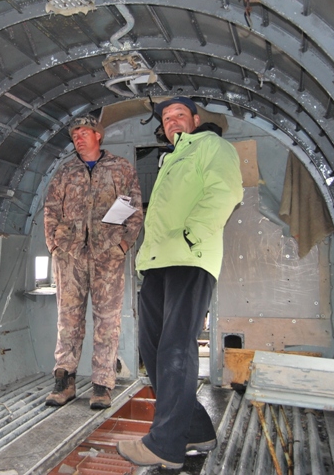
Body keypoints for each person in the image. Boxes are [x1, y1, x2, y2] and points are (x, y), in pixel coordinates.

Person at [117, 97, 243, 469]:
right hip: (157, 263)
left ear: (196, 120)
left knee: (175, 348)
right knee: (153, 348)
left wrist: (192, 235)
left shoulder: (211, 146)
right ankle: (197, 430)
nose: (172, 121)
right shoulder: (171, 158)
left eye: (179, 114)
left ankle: (165, 445)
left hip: (189, 257)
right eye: (167, 117)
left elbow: (225, 191)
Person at [43, 114, 143, 410]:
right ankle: (65, 381)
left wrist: (123, 245)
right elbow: (50, 209)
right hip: (69, 255)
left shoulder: (121, 168)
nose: (78, 138)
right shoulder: (65, 171)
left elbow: (134, 208)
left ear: (98, 135)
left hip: (107, 255)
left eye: (84, 132)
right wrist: (54, 246)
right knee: (67, 319)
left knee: (107, 321)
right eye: (75, 134)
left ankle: (102, 385)